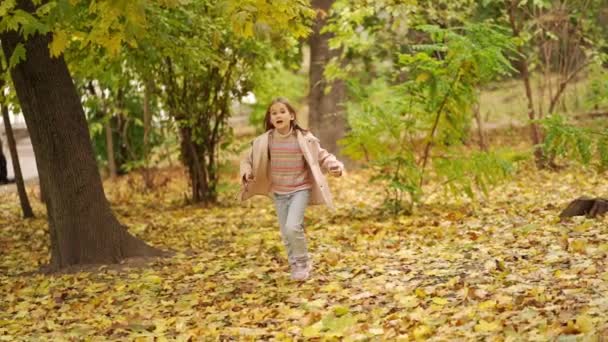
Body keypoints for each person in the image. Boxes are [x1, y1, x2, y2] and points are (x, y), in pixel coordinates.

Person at [240, 98, 344, 281]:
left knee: (292, 226)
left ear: (291, 116)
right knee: (286, 233)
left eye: (282, 111)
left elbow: (322, 156)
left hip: (300, 189)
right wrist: (247, 173)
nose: (278, 115)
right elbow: (247, 160)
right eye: (274, 113)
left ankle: (303, 262)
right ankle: (295, 265)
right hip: (279, 193)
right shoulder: (265, 141)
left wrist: (334, 165)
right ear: (270, 119)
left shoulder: (303, 138)